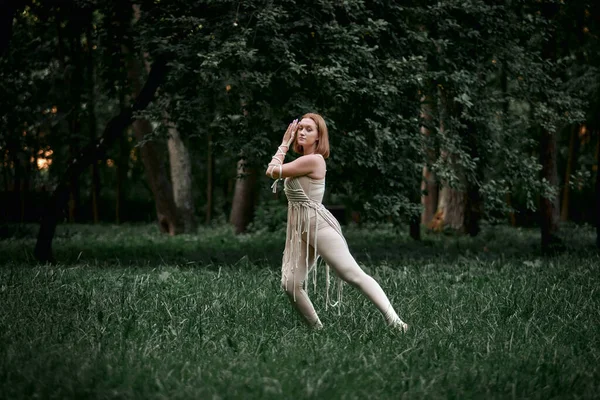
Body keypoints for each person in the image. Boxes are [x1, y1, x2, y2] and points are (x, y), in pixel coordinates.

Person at [266, 113, 408, 332]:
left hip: (319, 226)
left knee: (351, 274)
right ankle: (318, 331)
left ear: (318, 137)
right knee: (291, 284)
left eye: (309, 129)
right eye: (300, 128)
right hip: (301, 229)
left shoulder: (314, 160)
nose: (302, 132)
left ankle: (396, 323)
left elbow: (272, 171)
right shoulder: (302, 160)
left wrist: (284, 143)